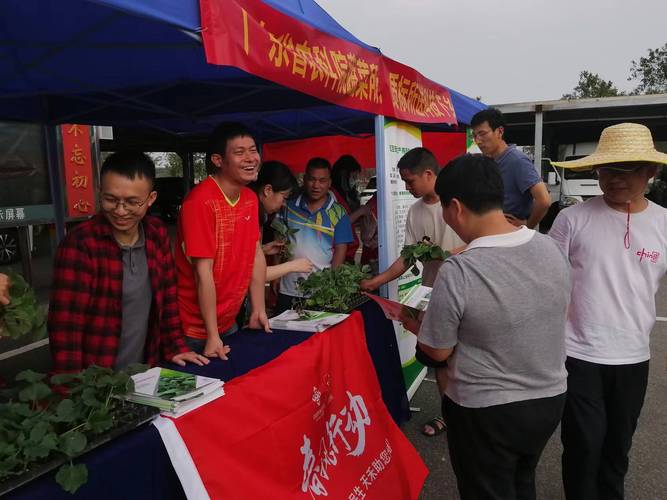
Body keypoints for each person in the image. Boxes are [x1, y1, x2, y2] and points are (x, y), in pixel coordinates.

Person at [405, 153, 570, 500]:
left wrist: (411, 320)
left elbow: (437, 350)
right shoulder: (550, 248)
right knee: (522, 482)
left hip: (487, 411)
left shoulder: (461, 270)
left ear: (455, 207)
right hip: (549, 400)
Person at [548, 123, 667, 500]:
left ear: (651, 171)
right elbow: (546, 277)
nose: (617, 178)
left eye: (630, 168)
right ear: (596, 170)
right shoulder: (573, 219)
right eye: (608, 168)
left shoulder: (664, 223)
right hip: (579, 353)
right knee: (583, 445)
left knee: (618, 446)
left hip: (634, 356)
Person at [48, 151, 207, 374]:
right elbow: (65, 327)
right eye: (111, 199)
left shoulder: (155, 233)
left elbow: (168, 297)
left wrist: (175, 347)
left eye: (132, 202)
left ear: (150, 199)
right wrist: (73, 390)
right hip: (96, 383)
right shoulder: (81, 243)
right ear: (99, 192)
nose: (120, 211)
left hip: (145, 372)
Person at [360, 147, 464, 438]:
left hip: (466, 292)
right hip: (434, 294)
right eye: (404, 182)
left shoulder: (458, 201)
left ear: (429, 174)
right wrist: (376, 280)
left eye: (410, 181)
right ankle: (450, 416)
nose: (407, 187)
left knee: (466, 359)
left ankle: (472, 416)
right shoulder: (416, 211)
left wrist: (447, 254)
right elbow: (408, 257)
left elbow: (481, 241)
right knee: (439, 360)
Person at [175, 123, 270, 360]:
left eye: (253, 150)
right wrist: (212, 334)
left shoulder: (250, 198)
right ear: (218, 160)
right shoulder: (200, 202)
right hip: (196, 330)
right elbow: (202, 272)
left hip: (229, 321)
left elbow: (255, 253)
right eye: (239, 153)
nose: (250, 158)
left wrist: (258, 308)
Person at [275, 157, 354, 313]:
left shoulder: (338, 212)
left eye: (322, 180)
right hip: (288, 287)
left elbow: (340, 250)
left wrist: (331, 285)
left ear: (330, 182)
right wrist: (276, 276)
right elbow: (278, 241)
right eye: (312, 179)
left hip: (320, 290)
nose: (316, 185)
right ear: (304, 180)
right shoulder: (287, 205)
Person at [471, 107, 551, 229]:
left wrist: (527, 226)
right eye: (475, 136)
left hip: (511, 238)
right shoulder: (487, 161)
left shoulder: (517, 161)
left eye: (482, 134)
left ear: (500, 132)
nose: (478, 141)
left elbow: (544, 200)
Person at [251, 160, 313, 281]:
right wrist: (293, 265)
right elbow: (252, 274)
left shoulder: (256, 212)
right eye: (284, 197)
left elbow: (243, 260)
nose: (284, 204)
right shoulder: (248, 216)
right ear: (268, 190)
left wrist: (262, 250)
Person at [331, 154, 362, 263]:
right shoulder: (331, 195)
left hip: (349, 252)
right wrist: (360, 212)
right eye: (353, 177)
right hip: (338, 253)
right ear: (343, 174)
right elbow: (339, 224)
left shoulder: (346, 194)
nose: (354, 181)